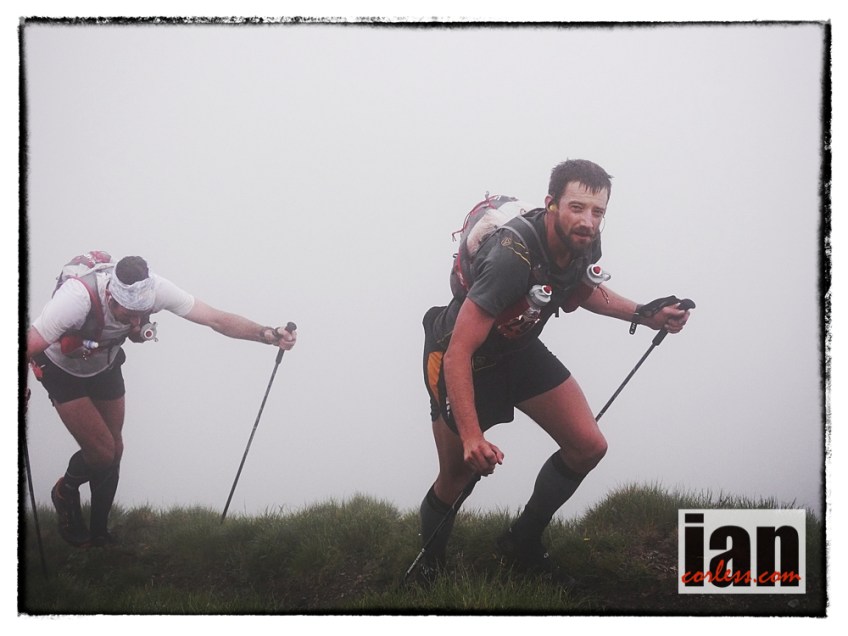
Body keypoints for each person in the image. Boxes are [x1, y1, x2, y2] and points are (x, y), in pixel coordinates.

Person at [418, 159, 691, 584]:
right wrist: (472, 437)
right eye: (577, 208)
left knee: (588, 445)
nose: (588, 221)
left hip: (519, 350)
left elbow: (582, 289)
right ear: (551, 205)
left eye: (598, 212)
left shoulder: (584, 241)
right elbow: (458, 353)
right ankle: (429, 569)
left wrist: (644, 313)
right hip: (463, 359)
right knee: (457, 475)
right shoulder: (511, 258)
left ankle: (522, 541)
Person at [26, 253, 297, 547]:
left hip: (103, 362)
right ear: (111, 297)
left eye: (141, 313)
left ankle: (100, 537)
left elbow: (215, 319)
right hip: (60, 368)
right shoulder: (76, 299)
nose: (135, 320)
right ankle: (65, 492)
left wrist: (267, 334)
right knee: (102, 452)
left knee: (116, 448)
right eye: (129, 313)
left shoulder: (157, 289)